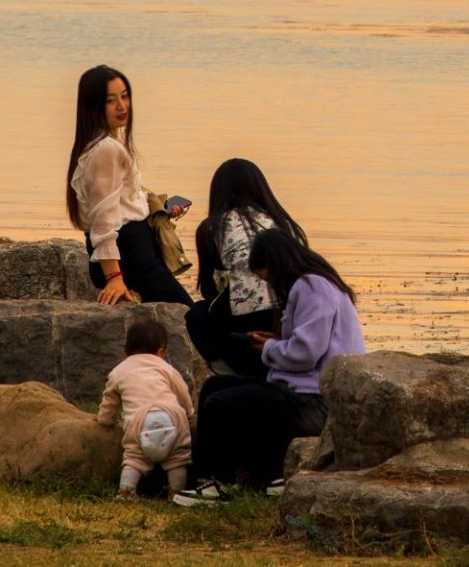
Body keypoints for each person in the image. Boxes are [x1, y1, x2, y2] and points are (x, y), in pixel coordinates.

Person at [174, 227, 365, 505]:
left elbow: (305, 354)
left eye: (267, 277)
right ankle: (213, 481)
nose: (270, 285)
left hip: (315, 402)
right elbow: (309, 342)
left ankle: (216, 484)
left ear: (276, 265)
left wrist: (270, 348)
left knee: (221, 404)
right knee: (215, 386)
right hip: (306, 392)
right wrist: (277, 340)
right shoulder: (318, 284)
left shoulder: (311, 287)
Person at [66, 65, 193, 306]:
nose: (122, 106)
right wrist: (114, 277)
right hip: (130, 256)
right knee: (190, 318)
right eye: (111, 100)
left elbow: (118, 202)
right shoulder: (106, 148)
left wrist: (159, 209)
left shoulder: (99, 143)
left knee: (183, 316)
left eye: (125, 96)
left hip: (132, 250)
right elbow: (104, 218)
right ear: (93, 106)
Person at [184, 158, 308, 378]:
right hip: (286, 326)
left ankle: (226, 370)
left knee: (198, 314)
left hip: (243, 337)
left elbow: (209, 289)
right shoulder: (284, 223)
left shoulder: (212, 227)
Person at [97, 316, 194, 499]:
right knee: (177, 458)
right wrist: (189, 412)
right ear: (161, 351)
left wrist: (105, 419)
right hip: (172, 416)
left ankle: (126, 491)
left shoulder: (119, 371)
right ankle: (177, 494)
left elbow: (109, 400)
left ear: (126, 351)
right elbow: (182, 391)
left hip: (139, 421)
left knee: (134, 458)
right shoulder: (166, 368)